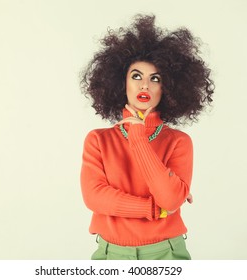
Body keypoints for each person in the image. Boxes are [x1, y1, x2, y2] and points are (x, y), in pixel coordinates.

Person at [80, 14, 214, 260]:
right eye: (136, 76)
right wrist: (154, 208)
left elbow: (170, 198)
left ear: (168, 87)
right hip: (110, 255)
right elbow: (95, 197)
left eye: (155, 78)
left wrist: (139, 138)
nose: (145, 85)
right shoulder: (98, 140)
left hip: (166, 254)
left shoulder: (178, 142)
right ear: (122, 83)